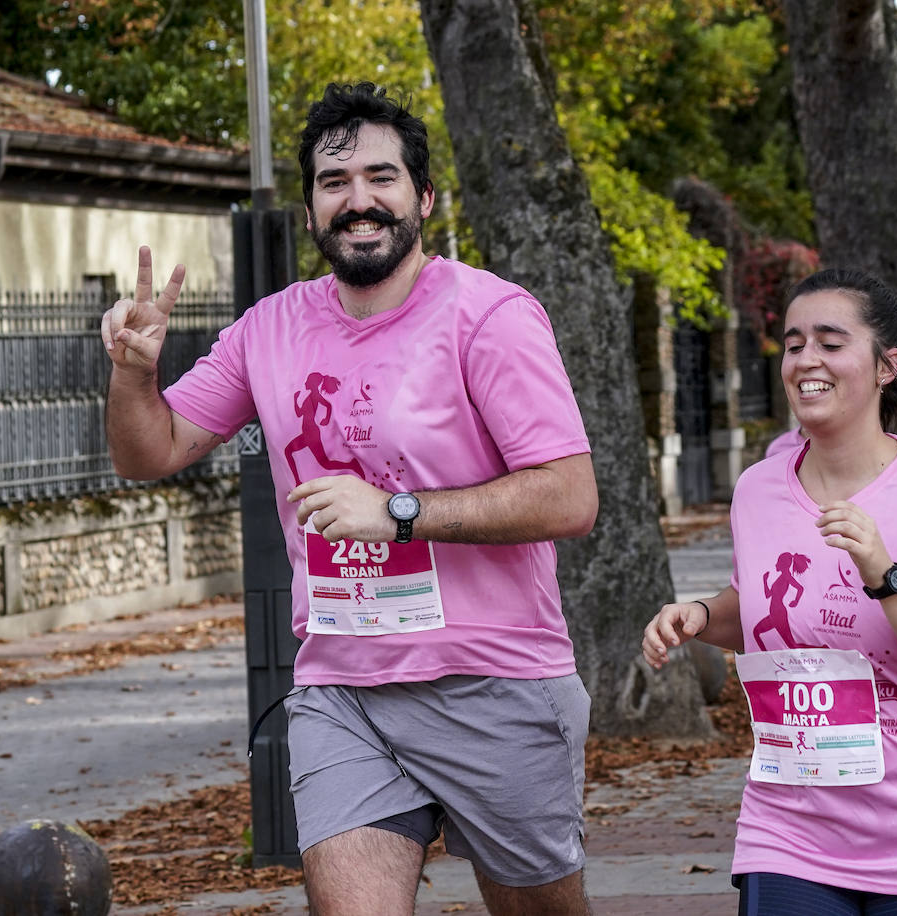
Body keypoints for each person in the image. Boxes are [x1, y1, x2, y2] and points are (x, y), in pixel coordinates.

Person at [101, 82, 598, 915]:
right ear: (309, 212)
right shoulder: (270, 327)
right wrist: (132, 373)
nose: (358, 200)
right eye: (335, 183)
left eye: (381, 177)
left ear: (423, 198)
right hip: (343, 687)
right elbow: (151, 452)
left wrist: (398, 512)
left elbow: (569, 497)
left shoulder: (490, 316)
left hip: (493, 680)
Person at [643, 268, 897, 914]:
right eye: (793, 344)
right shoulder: (760, 489)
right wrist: (701, 615)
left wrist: (885, 574)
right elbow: (767, 607)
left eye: (829, 341)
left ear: (886, 365)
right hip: (790, 828)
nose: (805, 360)